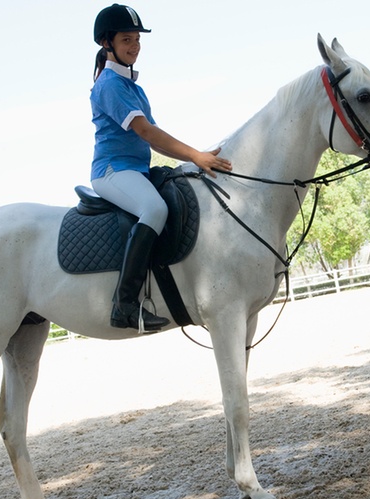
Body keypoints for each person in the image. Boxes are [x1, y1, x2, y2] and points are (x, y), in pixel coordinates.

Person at [90, 4, 232, 331]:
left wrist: (190, 162)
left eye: (137, 40)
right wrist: (196, 155)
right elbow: (147, 132)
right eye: (127, 39)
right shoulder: (110, 84)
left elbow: (153, 141)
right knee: (154, 209)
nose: (135, 46)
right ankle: (124, 305)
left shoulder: (134, 87)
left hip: (136, 170)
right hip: (112, 171)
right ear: (106, 43)